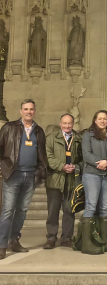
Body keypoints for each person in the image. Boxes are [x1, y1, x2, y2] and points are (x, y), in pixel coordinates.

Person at [0, 99, 48, 260]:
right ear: (21, 111)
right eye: (26, 109)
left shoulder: (39, 131)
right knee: (7, 210)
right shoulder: (9, 128)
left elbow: (42, 155)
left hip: (30, 176)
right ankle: (2, 245)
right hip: (13, 175)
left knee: (22, 211)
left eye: (31, 109)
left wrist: (40, 173)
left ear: (35, 111)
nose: (29, 112)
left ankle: (14, 239)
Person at [81, 110, 107, 254]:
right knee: (91, 206)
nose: (102, 121)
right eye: (100, 118)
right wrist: (102, 165)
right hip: (92, 174)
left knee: (104, 207)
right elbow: (86, 154)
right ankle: (87, 243)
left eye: (105, 119)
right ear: (95, 120)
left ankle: (104, 240)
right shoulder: (88, 135)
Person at [44, 114, 83, 249]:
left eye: (69, 123)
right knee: (53, 211)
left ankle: (67, 238)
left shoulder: (79, 139)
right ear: (60, 124)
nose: (67, 126)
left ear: (73, 124)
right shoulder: (50, 139)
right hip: (55, 180)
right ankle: (51, 237)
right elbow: (48, 157)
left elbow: (84, 158)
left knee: (69, 210)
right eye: (64, 123)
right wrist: (61, 166)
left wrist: (76, 167)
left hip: (71, 180)